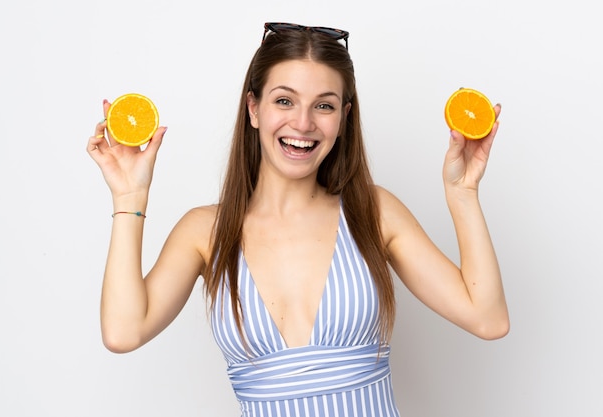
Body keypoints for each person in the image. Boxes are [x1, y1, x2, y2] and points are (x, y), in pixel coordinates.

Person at [87, 22, 509, 417]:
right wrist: (129, 196)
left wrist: (463, 192)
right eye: (284, 100)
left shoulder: (373, 213)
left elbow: (487, 318)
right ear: (253, 109)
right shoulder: (205, 232)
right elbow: (124, 332)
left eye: (323, 105)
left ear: (344, 118)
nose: (303, 123)